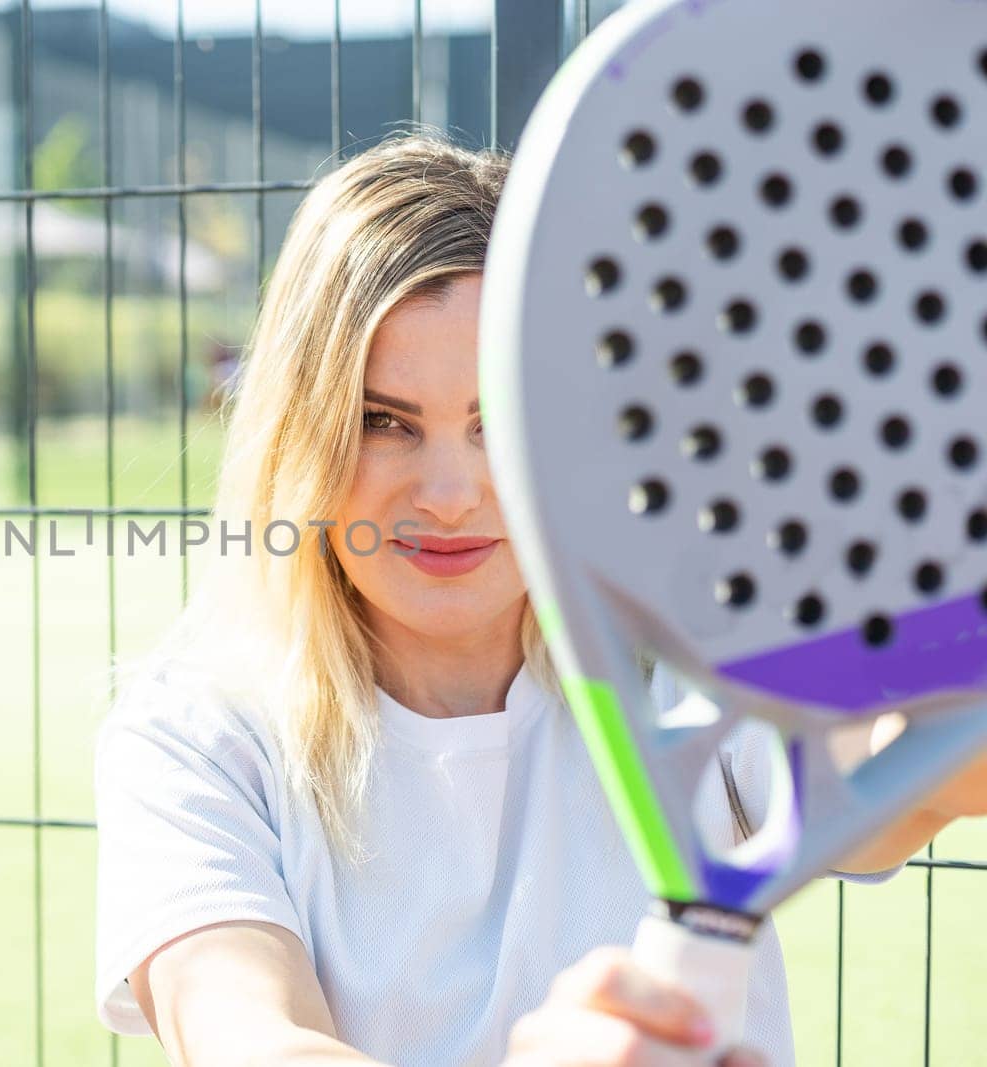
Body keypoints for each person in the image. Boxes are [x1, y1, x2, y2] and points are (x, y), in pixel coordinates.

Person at [92, 130, 986, 1067]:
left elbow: (913, 765)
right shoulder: (194, 738)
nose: (449, 493)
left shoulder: (698, 653)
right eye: (384, 422)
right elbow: (247, 1036)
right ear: (301, 431)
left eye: (501, 421)